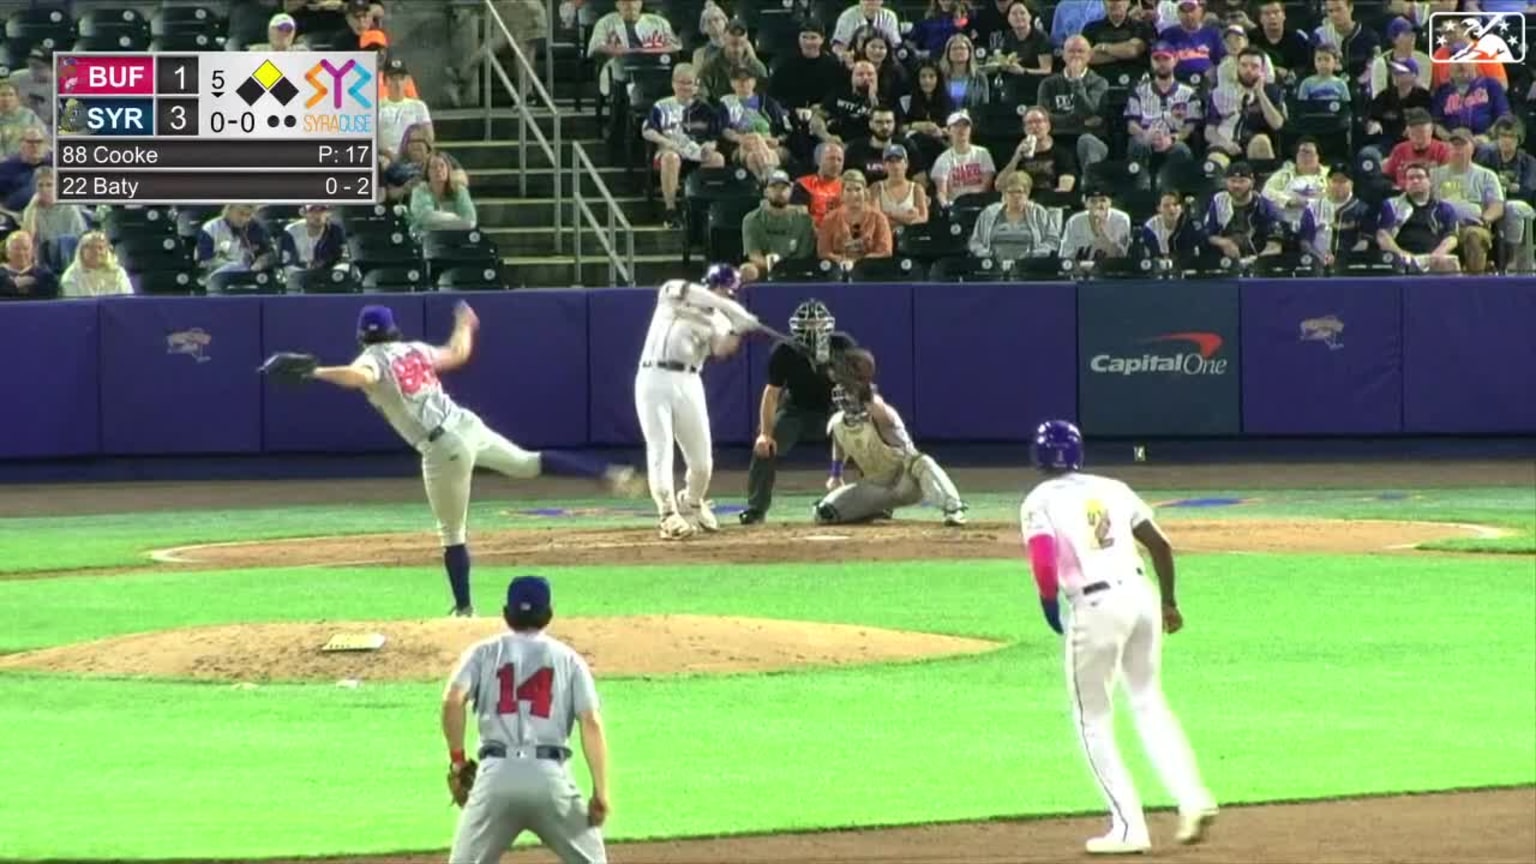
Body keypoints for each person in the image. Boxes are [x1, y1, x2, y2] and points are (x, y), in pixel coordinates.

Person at [303, 303, 642, 615]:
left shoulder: (371, 359)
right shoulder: (414, 350)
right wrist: (465, 324)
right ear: (393, 329)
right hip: (468, 425)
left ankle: (464, 609)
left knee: (451, 533)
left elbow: (360, 376)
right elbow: (457, 353)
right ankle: (605, 472)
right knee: (527, 464)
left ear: (362, 335)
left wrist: (316, 372)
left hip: (442, 446)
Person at [1020, 419, 1218, 855]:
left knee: (1092, 717)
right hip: (1141, 596)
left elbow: (1041, 559)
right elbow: (1161, 546)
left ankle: (1129, 827)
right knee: (1148, 701)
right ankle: (1193, 797)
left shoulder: (1039, 500)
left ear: (1038, 456)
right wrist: (1169, 603)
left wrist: (1049, 603)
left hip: (1096, 607)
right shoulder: (1113, 486)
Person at [442, 575, 610, 864]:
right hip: (550, 779)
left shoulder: (482, 652)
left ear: (506, 613)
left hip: (495, 777)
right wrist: (600, 792)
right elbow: (591, 722)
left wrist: (458, 761)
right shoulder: (568, 659)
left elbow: (452, 700)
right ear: (549, 613)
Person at [635, 265, 762, 539]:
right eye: (721, 288)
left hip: (689, 380)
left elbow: (720, 350)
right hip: (653, 376)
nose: (724, 294)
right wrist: (735, 310)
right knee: (661, 448)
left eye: (729, 290)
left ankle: (691, 501)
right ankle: (667, 515)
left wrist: (739, 329)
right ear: (710, 284)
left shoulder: (721, 320)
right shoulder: (674, 292)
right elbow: (702, 295)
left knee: (702, 462)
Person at [812, 350, 967, 526]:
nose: (845, 393)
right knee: (824, 513)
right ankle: (877, 509)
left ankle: (954, 508)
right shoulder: (837, 422)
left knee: (922, 461)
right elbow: (839, 444)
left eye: (848, 388)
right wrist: (836, 474)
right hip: (876, 487)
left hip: (906, 483)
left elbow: (879, 412)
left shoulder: (879, 409)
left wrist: (860, 388)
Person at [741, 299, 858, 525]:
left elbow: (857, 385)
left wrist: (856, 417)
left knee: (866, 441)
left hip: (834, 409)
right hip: (796, 410)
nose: (813, 329)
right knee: (765, 446)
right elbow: (771, 394)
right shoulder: (785, 350)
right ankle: (756, 508)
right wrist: (765, 433)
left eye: (817, 323)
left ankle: (878, 503)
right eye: (808, 324)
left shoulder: (842, 345)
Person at [1376, 162, 1463, 273]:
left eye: (1420, 177)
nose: (1415, 181)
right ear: (1405, 183)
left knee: (1450, 264)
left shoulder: (1444, 208)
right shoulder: (1391, 205)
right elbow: (1383, 236)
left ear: (1429, 181)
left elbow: (1452, 237)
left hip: (1432, 257)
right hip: (1401, 257)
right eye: (1411, 178)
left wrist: (1437, 254)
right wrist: (1403, 255)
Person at [741, 170, 818, 282]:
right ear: (766, 192)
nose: (779, 192)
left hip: (796, 268)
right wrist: (772, 265)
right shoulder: (752, 219)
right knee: (747, 270)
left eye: (783, 188)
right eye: (774, 187)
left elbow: (803, 255)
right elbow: (754, 255)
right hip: (765, 267)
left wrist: (784, 268)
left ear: (791, 191)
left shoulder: (804, 219)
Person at [967, 170, 1059, 260]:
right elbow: (975, 241)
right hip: (994, 267)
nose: (1015, 196)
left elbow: (1053, 239)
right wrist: (986, 255)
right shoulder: (989, 213)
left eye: (1019, 192)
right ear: (1004, 194)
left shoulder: (1038, 212)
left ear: (1027, 194)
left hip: (1030, 267)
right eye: (1011, 192)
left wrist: (1036, 254)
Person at [816, 170, 893, 266]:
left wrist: (860, 262)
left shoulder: (879, 218)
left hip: (871, 270)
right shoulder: (829, 219)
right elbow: (823, 252)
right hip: (837, 270)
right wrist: (842, 261)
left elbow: (886, 251)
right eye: (848, 190)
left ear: (865, 191)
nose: (854, 194)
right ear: (842, 193)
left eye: (858, 189)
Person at [60, 230, 133, 298]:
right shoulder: (71, 277)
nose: (96, 252)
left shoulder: (118, 273)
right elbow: (74, 307)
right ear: (81, 251)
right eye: (90, 247)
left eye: (100, 248)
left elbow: (127, 302)